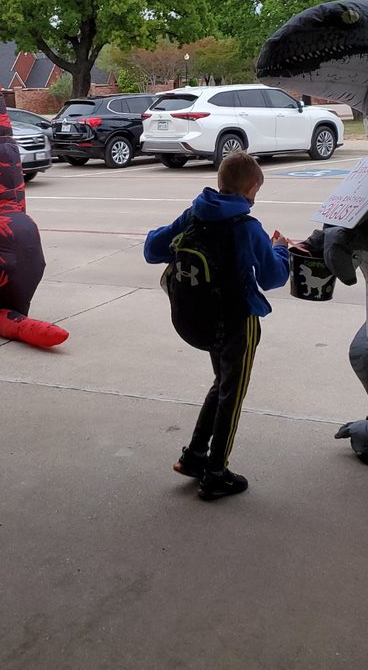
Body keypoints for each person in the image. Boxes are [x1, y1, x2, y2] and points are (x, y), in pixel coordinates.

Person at [143, 152, 291, 501]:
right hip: (238, 322)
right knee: (232, 395)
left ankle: (195, 456)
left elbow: (152, 249)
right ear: (252, 187)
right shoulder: (247, 227)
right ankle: (216, 473)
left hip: (200, 320)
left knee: (222, 384)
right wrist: (280, 250)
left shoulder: (194, 215)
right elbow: (272, 277)